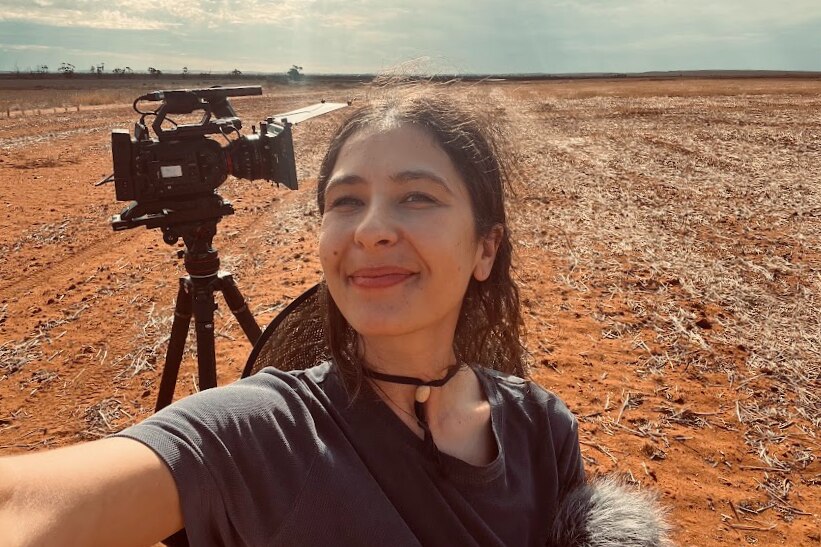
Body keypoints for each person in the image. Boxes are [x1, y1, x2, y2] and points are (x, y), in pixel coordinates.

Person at [0, 85, 588, 547]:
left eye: (417, 197)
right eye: (346, 201)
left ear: (486, 247)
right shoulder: (262, 432)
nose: (372, 229)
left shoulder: (542, 428)